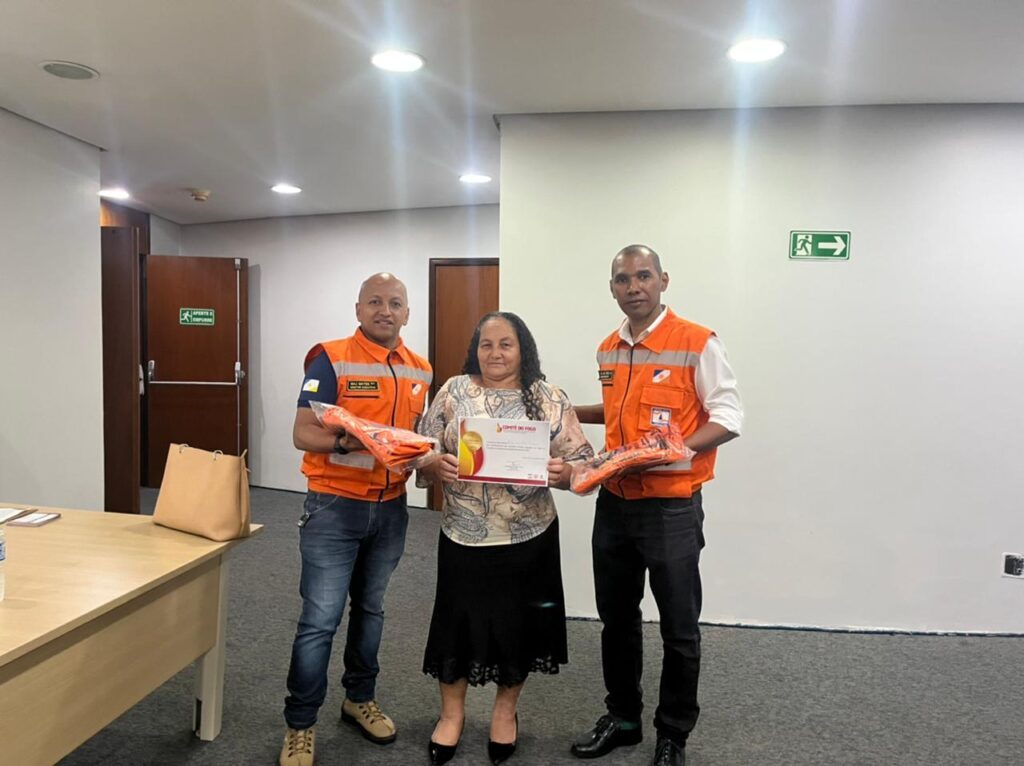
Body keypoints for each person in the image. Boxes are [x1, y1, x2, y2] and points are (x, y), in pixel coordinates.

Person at [571, 246, 743, 766]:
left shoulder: (696, 342)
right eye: (623, 279)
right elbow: (618, 411)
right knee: (616, 619)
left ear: (663, 280)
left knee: (679, 627)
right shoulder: (608, 348)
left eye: (643, 276)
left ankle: (673, 734)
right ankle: (623, 719)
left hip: (671, 509)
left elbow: (729, 416)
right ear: (612, 288)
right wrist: (566, 410)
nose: (634, 287)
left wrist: (677, 449)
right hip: (615, 503)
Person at [417, 311, 594, 765]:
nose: (495, 353)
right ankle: (451, 715)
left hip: (529, 538)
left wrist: (564, 473)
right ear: (475, 349)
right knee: (456, 627)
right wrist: (434, 464)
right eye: (486, 344)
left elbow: (584, 462)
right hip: (463, 535)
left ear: (523, 350)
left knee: (519, 628)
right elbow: (420, 449)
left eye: (505, 344)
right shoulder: (454, 391)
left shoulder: (549, 397)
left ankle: (504, 712)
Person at [279, 273, 432, 766]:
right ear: (359, 310)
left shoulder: (421, 369)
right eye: (375, 302)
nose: (385, 311)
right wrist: (352, 441)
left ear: (407, 313)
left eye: (395, 303)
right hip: (334, 507)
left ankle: (358, 699)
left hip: (391, 509)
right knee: (320, 620)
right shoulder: (330, 357)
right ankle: (300, 724)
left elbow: (416, 438)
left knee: (371, 610)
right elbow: (303, 433)